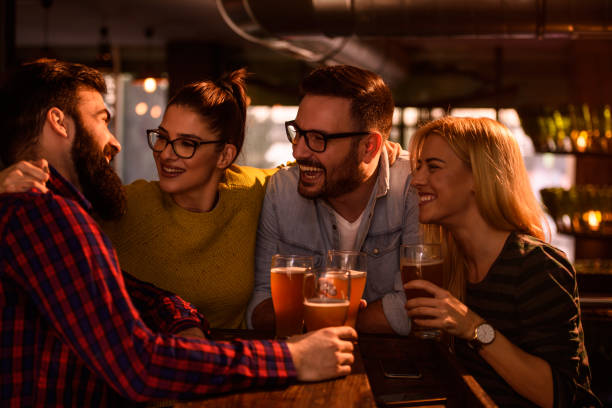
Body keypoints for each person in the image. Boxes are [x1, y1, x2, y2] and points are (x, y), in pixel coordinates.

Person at [0, 58, 356, 406]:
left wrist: (376, 153)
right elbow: (140, 366)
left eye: (186, 143)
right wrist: (291, 358)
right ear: (58, 122)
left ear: (224, 156)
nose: (115, 141)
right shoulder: (53, 215)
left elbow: (124, 290)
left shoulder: (51, 213)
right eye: (102, 119)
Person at [0, 67, 402, 330]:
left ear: (225, 156)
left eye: (187, 144)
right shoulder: (124, 206)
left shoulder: (257, 191)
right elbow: (55, 221)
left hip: (236, 381)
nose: (166, 154)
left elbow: (324, 166)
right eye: (163, 138)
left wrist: (386, 153)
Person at [404, 116, 601, 407]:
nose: (417, 179)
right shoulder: (451, 262)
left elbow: (564, 396)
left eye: (433, 167)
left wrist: (473, 327)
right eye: (418, 167)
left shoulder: (537, 265)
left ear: (478, 177)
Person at [248, 65, 420, 335]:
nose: (298, 150)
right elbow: (259, 307)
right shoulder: (281, 190)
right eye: (298, 132)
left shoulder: (414, 185)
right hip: (301, 361)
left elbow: (413, 308)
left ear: (369, 147)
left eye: (318, 139)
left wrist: (317, 321)